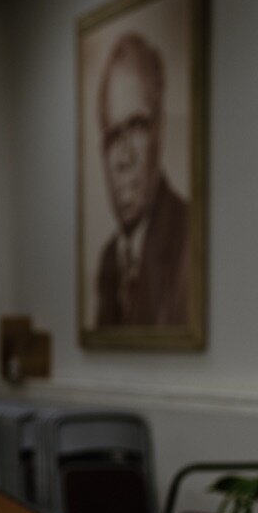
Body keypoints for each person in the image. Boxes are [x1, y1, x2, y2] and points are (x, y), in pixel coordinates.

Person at [92, 32, 190, 328]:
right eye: (112, 137)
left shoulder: (187, 238)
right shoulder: (110, 260)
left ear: (159, 129)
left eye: (135, 127)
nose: (123, 158)